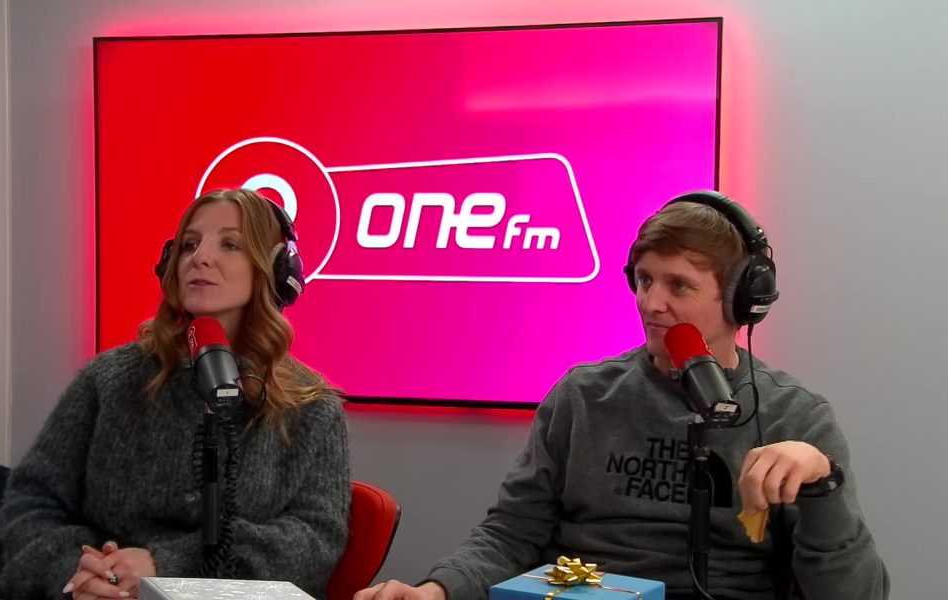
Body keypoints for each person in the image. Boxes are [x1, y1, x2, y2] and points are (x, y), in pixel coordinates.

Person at [355, 191, 889, 600]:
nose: (650, 303)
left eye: (679, 286)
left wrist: (823, 488)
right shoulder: (583, 395)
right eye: (644, 280)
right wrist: (437, 590)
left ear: (741, 300)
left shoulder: (794, 417)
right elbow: (513, 532)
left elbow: (856, 593)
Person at [0, 188, 351, 600]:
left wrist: (166, 567)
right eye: (189, 245)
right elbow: (32, 502)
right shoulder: (108, 380)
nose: (200, 257)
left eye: (230, 244)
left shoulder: (313, 407)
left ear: (273, 271)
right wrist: (78, 572)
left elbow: (314, 543)